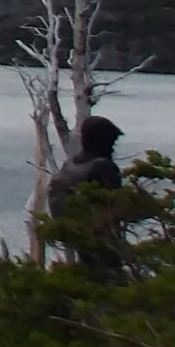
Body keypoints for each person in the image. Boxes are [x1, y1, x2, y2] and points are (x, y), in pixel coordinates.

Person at [45, 115, 127, 275]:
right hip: (102, 240)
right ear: (102, 141)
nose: (113, 148)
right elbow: (119, 205)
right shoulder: (104, 168)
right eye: (111, 142)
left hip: (80, 239)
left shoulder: (69, 166)